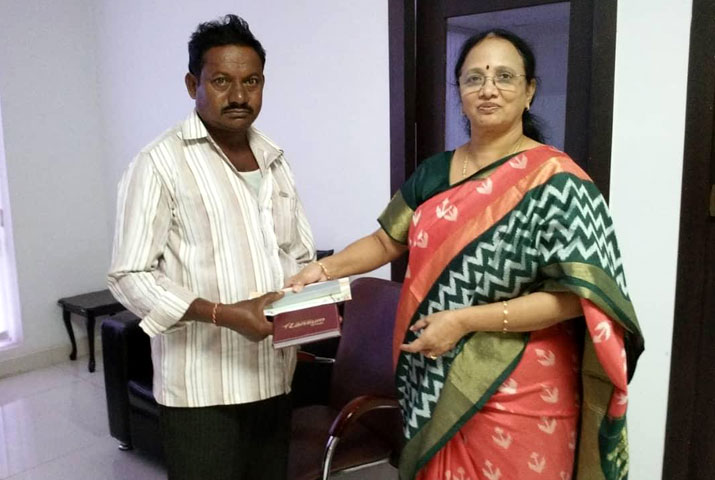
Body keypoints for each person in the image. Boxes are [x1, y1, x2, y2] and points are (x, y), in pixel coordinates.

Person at [288, 29, 644, 480]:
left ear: (529, 91)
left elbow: (579, 297)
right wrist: (321, 268)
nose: (488, 89)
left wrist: (464, 321)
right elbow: (384, 242)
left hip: (524, 388)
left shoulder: (558, 182)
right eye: (474, 78)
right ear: (459, 92)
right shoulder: (434, 173)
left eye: (504, 77)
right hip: (434, 374)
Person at [108, 14, 315, 480]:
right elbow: (128, 275)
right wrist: (222, 313)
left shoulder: (275, 159)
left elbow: (298, 253)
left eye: (251, 81)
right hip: (202, 389)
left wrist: (308, 302)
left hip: (273, 374)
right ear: (192, 85)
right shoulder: (158, 164)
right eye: (221, 81)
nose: (239, 96)